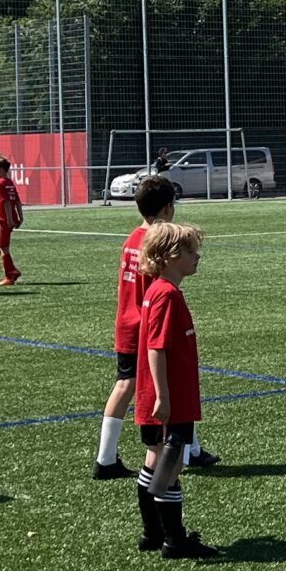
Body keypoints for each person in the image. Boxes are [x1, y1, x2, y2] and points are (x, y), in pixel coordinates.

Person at [135, 220, 216, 560]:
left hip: (156, 395)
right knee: (170, 468)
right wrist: (164, 397)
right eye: (189, 251)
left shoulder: (157, 290)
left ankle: (152, 532)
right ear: (169, 257)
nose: (197, 256)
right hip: (169, 399)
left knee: (155, 461)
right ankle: (175, 539)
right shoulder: (166, 295)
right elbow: (156, 348)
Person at [95, 174, 177, 480]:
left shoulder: (132, 238)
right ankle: (183, 450)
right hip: (147, 328)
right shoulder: (157, 243)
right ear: (168, 208)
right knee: (166, 389)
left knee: (124, 385)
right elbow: (159, 290)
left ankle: (105, 457)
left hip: (126, 323)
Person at [0, 155, 25, 285]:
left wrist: (9, 220)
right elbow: (17, 201)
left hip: (4, 220)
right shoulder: (9, 182)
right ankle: (13, 270)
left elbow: (6, 203)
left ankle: (9, 277)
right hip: (11, 218)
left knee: (3, 247)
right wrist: (20, 217)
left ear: (1, 169)